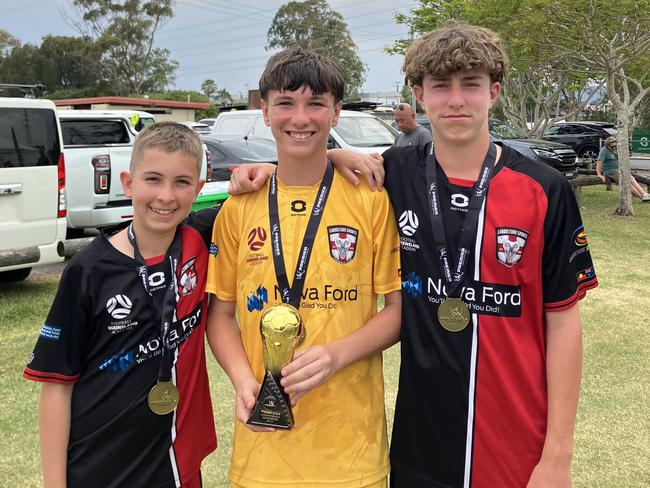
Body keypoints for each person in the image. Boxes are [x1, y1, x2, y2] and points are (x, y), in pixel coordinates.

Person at [231, 23, 599, 488]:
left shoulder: (545, 189)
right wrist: (268, 168)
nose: (457, 100)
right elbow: (309, 168)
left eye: (471, 84)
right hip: (419, 445)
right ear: (420, 95)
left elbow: (563, 322)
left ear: (495, 92)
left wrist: (558, 456)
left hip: (516, 442)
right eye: (441, 86)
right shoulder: (396, 176)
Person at [205, 49, 402, 488]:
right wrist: (241, 379)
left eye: (316, 104)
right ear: (264, 110)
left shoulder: (370, 199)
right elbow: (219, 317)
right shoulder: (238, 209)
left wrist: (337, 355)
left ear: (336, 113)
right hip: (262, 454)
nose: (301, 118)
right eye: (286, 103)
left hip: (352, 455)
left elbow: (398, 310)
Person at [24, 122, 217, 488]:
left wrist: (337, 155)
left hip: (177, 466)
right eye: (153, 179)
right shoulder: (89, 270)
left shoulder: (200, 239)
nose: (165, 196)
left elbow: (281, 184)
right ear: (128, 183)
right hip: (100, 468)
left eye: (181, 182)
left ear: (199, 189)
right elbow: (56, 385)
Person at [596, 135, 650, 201]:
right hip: (610, 171)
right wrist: (599, 174)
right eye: (612, 146)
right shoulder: (604, 151)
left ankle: (644, 194)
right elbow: (599, 162)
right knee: (625, 181)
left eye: (615, 146)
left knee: (631, 178)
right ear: (608, 145)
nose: (614, 147)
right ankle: (641, 197)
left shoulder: (617, 148)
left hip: (619, 169)